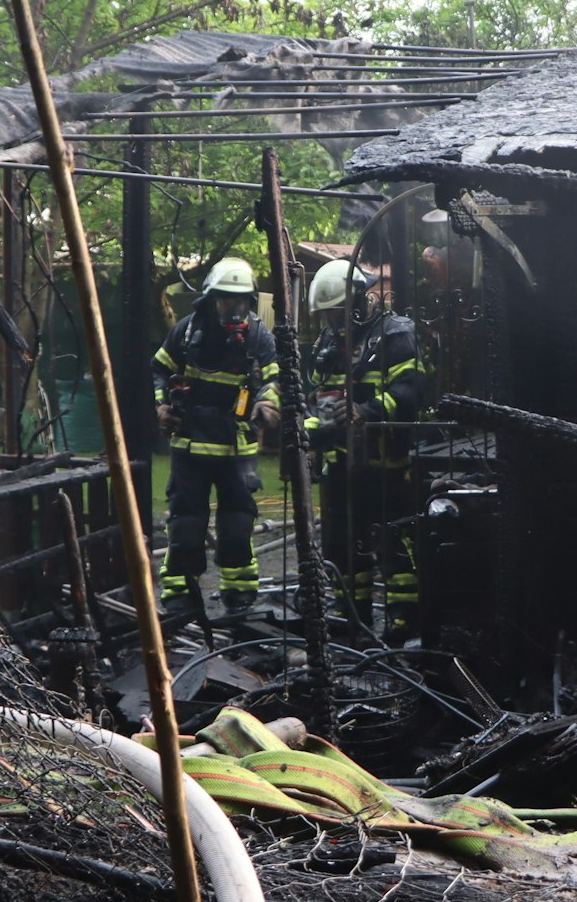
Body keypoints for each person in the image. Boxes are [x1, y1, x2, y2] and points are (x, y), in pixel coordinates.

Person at [304, 258, 427, 641]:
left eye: (336, 313)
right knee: (341, 547)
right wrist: (311, 440)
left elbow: (411, 392)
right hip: (341, 468)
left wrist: (366, 411)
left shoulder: (395, 335)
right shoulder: (329, 344)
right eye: (327, 315)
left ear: (358, 301)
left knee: (394, 544)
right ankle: (349, 620)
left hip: (386, 465)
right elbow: (316, 400)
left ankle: (404, 622)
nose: (331, 322)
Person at [152, 258, 279, 615]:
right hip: (190, 447)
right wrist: (161, 405)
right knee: (186, 525)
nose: (233, 307)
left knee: (237, 525)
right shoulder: (186, 332)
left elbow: (277, 378)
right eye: (226, 298)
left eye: (240, 300)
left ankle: (239, 596)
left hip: (237, 448)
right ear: (211, 298)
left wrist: (268, 400)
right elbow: (157, 370)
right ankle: (179, 597)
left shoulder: (258, 336)